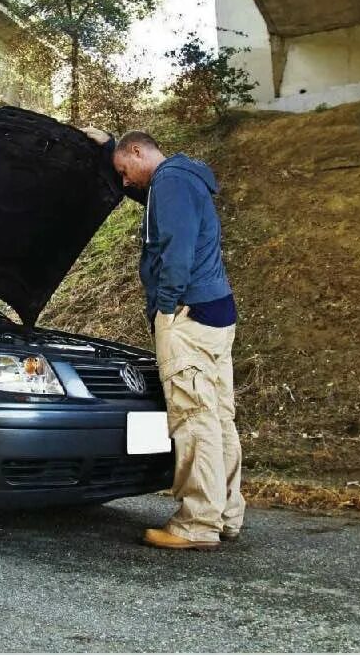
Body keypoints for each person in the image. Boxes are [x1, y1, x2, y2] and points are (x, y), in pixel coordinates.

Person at [81, 126, 244, 551]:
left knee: (193, 419)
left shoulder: (170, 182)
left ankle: (197, 525)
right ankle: (226, 514)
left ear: (138, 151)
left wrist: (165, 308)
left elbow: (177, 252)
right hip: (215, 312)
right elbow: (147, 197)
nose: (123, 181)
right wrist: (106, 148)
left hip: (187, 313)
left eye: (123, 169)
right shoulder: (181, 178)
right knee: (218, 416)